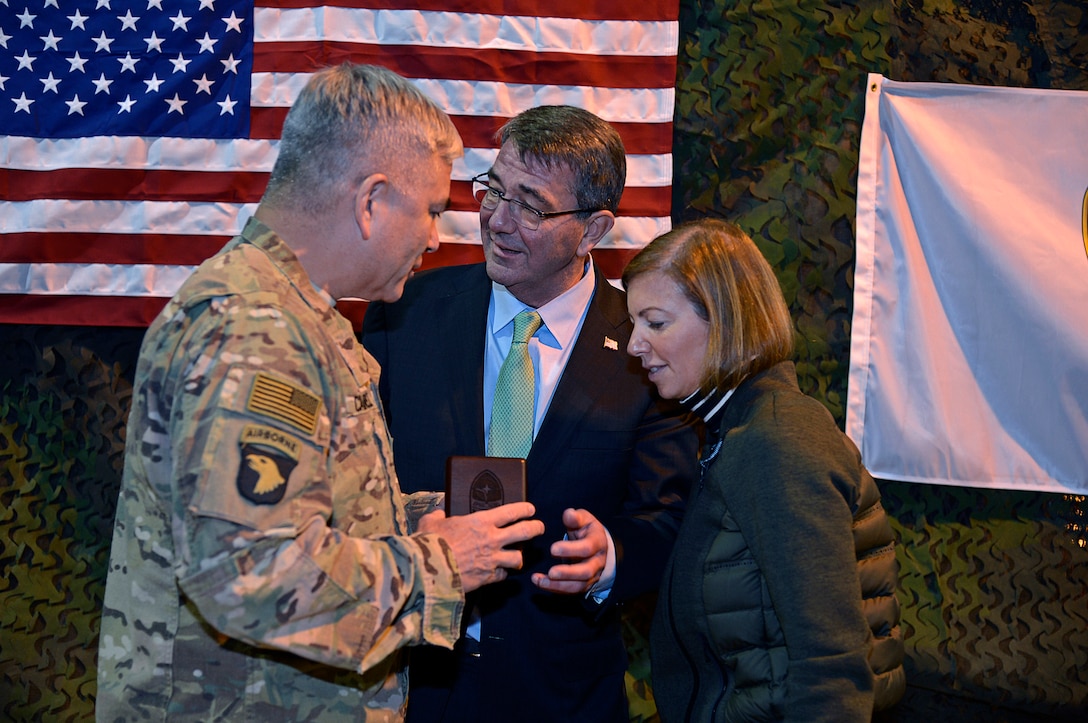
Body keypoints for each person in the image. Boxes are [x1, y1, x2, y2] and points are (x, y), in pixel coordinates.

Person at [95, 63, 545, 722]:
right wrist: (438, 564)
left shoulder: (292, 315)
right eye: (430, 211)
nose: (434, 237)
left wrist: (417, 517)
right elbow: (252, 573)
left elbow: (301, 508)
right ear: (371, 200)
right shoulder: (259, 332)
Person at [361, 105, 699, 722]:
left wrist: (610, 558)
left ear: (593, 230)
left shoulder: (642, 348)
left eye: (532, 206)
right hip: (412, 688)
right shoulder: (406, 312)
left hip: (561, 694)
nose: (498, 220)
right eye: (493, 190)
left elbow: (669, 515)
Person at [623, 218, 906, 722]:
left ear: (725, 321)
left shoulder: (779, 440)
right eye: (635, 324)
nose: (634, 344)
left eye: (656, 323)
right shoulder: (733, 430)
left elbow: (832, 665)